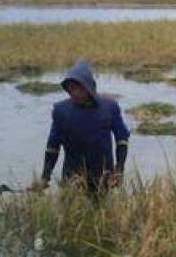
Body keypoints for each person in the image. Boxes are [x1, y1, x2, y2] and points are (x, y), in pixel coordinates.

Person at [32, 58, 129, 193]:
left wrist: (119, 170)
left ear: (89, 86)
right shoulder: (61, 111)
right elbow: (53, 147)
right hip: (72, 180)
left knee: (102, 212)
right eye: (71, 88)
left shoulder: (109, 107)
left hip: (103, 179)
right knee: (70, 213)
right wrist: (44, 178)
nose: (75, 93)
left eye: (79, 88)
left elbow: (122, 139)